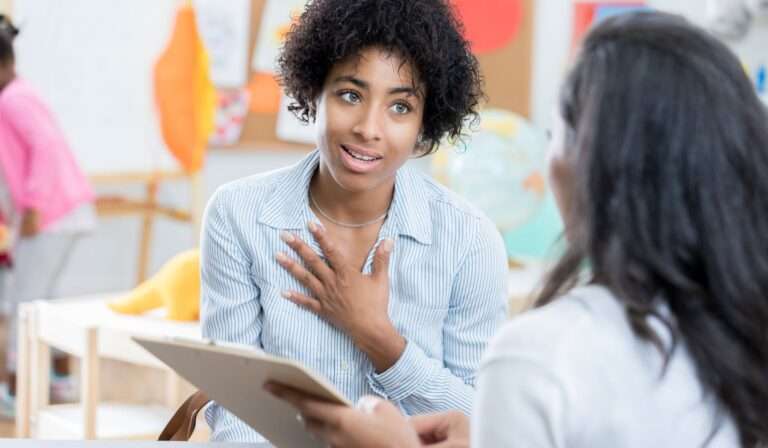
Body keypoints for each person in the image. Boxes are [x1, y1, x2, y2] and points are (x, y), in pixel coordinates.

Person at [267, 11, 768, 448]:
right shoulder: (745, 334)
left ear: (585, 160)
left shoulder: (540, 355)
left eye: (553, 134)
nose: (369, 127)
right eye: (351, 95)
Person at [199, 0, 509, 442]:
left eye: (400, 107)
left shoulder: (470, 240)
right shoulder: (238, 216)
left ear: (426, 121)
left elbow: (484, 423)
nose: (369, 127)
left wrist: (380, 339)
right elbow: (236, 410)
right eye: (350, 95)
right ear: (314, 92)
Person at [0, 15, 96, 406]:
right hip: (54, 213)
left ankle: (15, 388)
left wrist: (34, 207)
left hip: (49, 215)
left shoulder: (13, 99)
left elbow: (46, 148)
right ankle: (59, 380)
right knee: (46, 301)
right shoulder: (17, 94)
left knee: (24, 302)